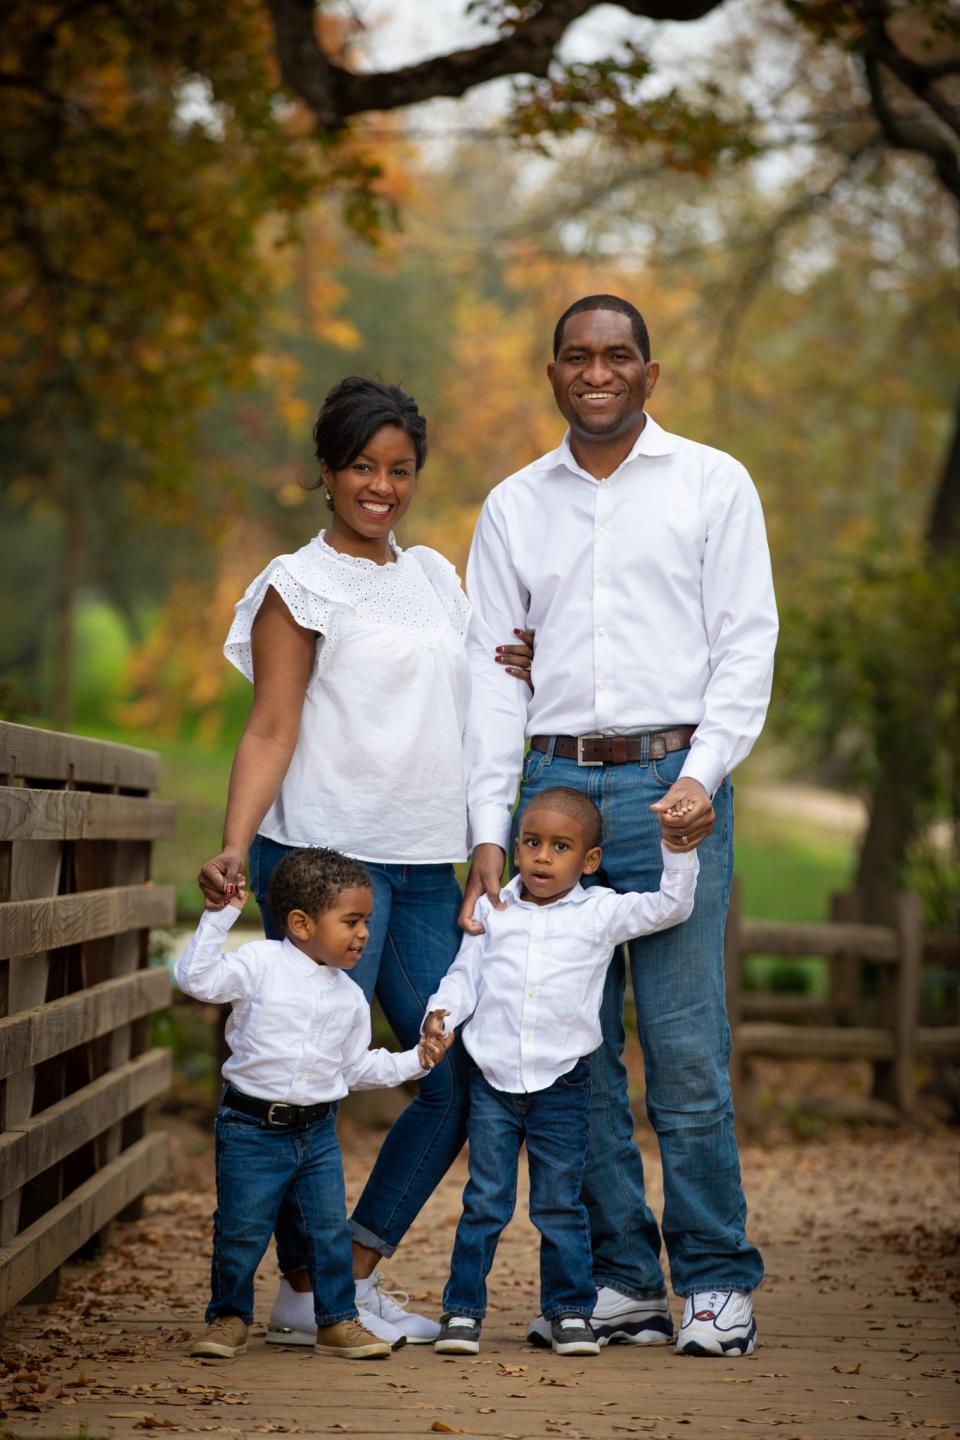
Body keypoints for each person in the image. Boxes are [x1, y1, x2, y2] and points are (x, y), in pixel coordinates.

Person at [460, 295, 778, 1358]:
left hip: (668, 788)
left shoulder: (711, 483)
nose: (597, 372)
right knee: (569, 1056)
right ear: (553, 372)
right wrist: (489, 832)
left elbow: (746, 640)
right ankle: (624, 1282)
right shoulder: (513, 505)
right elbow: (493, 678)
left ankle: (718, 1280)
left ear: (649, 371)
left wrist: (704, 772)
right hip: (552, 790)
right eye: (577, 357)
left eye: (618, 356)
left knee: (684, 1046)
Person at [197, 377, 531, 1348]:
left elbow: (474, 690)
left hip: (431, 863)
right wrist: (231, 840)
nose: (381, 487)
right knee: (304, 1075)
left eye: (400, 471)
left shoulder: (435, 575)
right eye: (362, 468)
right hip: (324, 867)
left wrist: (513, 669)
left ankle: (337, 1276)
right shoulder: (296, 585)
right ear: (328, 472)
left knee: (459, 1064)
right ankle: (308, 1287)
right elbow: (270, 725)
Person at [424, 787, 698, 1358]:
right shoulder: (493, 910)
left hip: (563, 1085)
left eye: (561, 846)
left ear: (589, 861)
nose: (542, 857)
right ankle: (462, 1312)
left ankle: (570, 1312)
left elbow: (670, 907)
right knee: (485, 1202)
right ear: (515, 848)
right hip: (493, 1082)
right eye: (531, 842)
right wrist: (441, 1015)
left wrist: (677, 849)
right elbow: (464, 976)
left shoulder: (599, 913)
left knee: (559, 1205)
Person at [176, 847, 452, 1362]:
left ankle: (337, 1321)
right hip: (250, 1128)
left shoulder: (348, 996)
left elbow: (353, 1069)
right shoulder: (259, 965)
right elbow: (196, 979)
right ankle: (229, 1316)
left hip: (316, 1134)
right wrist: (221, 915)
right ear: (301, 923)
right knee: (241, 1228)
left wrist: (417, 1059)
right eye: (351, 921)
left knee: (327, 1232)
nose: (364, 933)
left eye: (366, 921)